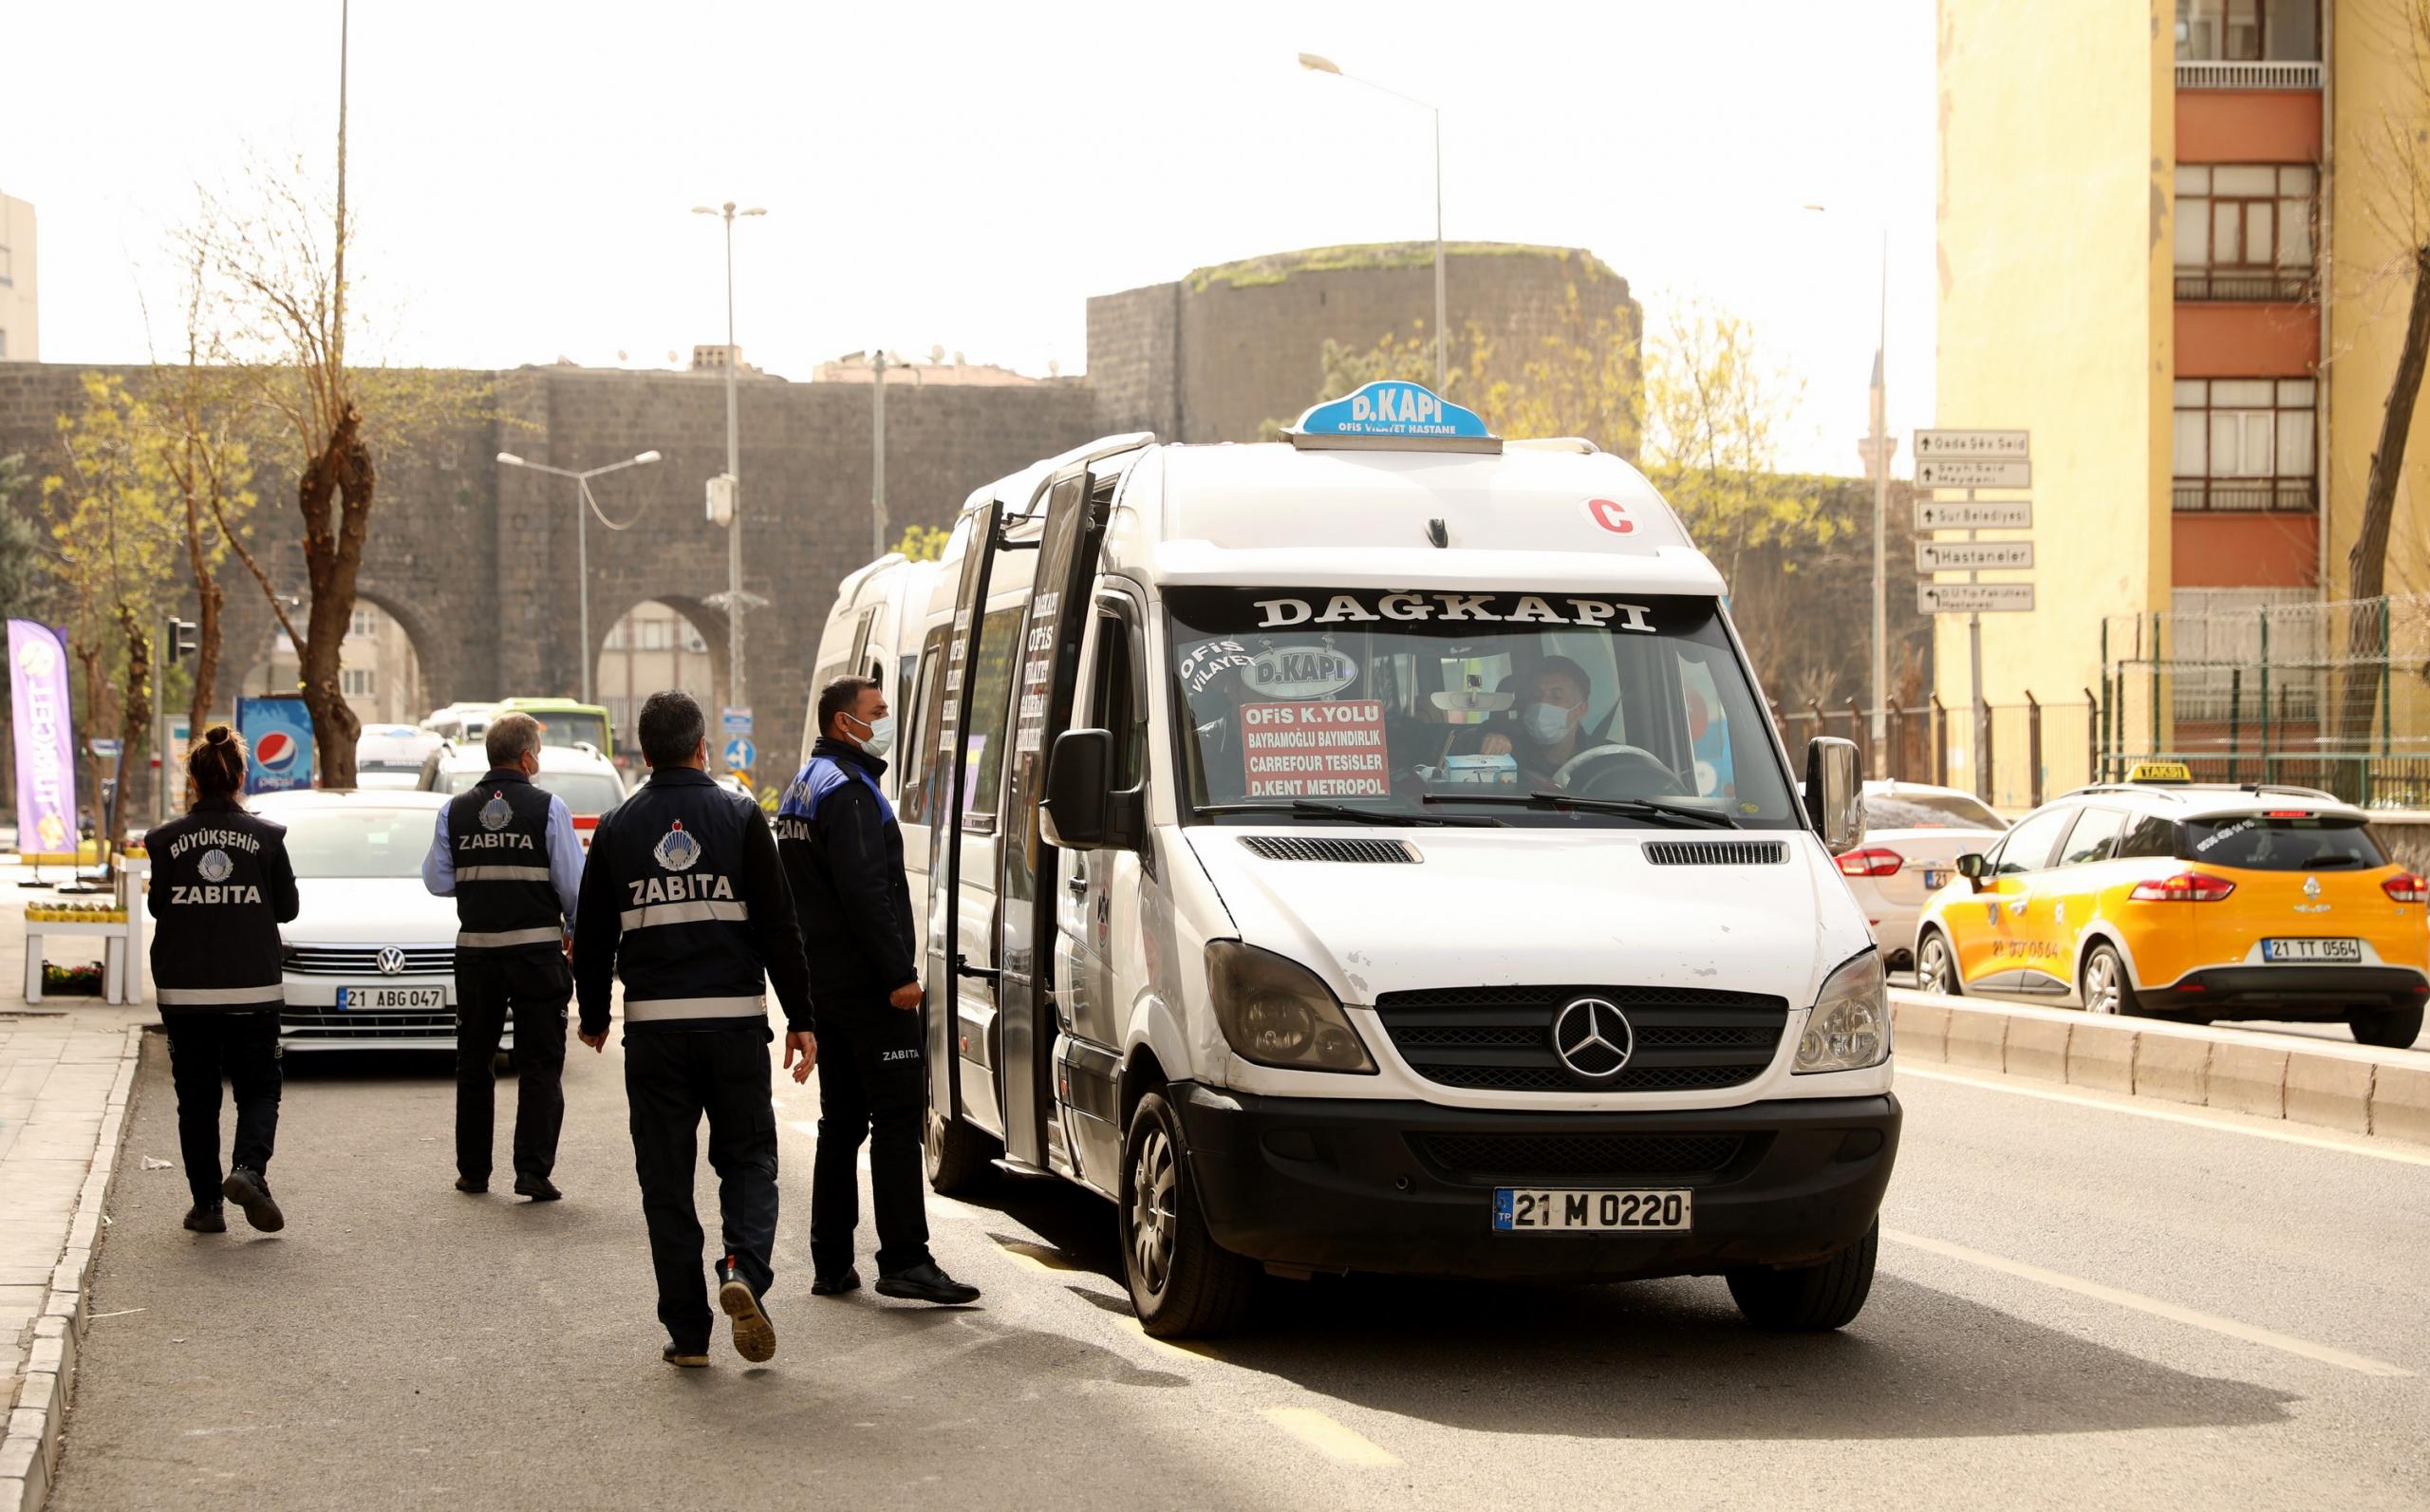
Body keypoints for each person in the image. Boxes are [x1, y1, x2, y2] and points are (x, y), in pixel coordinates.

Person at [572, 691, 818, 1369]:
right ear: (702, 747)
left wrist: (594, 1014)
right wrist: (801, 1016)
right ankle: (741, 1265)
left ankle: (687, 1334)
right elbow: (778, 925)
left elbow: (591, 935)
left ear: (644, 753)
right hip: (734, 1027)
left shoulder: (620, 827)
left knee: (665, 1179)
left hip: (654, 1033)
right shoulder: (740, 815)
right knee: (747, 1158)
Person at [776, 676, 981, 1307]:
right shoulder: (852, 792)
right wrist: (900, 975)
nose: (886, 721)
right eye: (878, 712)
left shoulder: (802, 786)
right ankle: (905, 1258)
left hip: (825, 985)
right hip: (870, 989)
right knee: (895, 1119)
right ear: (846, 722)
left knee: (841, 1122)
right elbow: (867, 893)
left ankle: (831, 1259)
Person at [421, 713, 586, 1201]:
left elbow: (437, 879)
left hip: (477, 956)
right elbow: (572, 885)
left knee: (475, 1061)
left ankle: (473, 1172)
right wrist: (573, 927)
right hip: (536, 955)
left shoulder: (455, 811)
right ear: (528, 756)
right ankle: (532, 1171)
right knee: (539, 1062)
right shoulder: (548, 808)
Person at [146, 725, 301, 1235]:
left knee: (197, 1099)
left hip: (185, 992)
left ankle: (207, 1206)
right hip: (252, 990)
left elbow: (157, 904)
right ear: (240, 776)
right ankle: (249, 1172)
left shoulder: (164, 841)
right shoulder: (268, 838)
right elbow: (289, 908)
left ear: (192, 779)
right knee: (258, 1090)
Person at [1476, 655, 1601, 786]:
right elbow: (1474, 741)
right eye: (1536, 695)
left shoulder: (1601, 759)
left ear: (1581, 709)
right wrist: (1491, 743)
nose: (1543, 702)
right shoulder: (1510, 750)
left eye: (1556, 696)